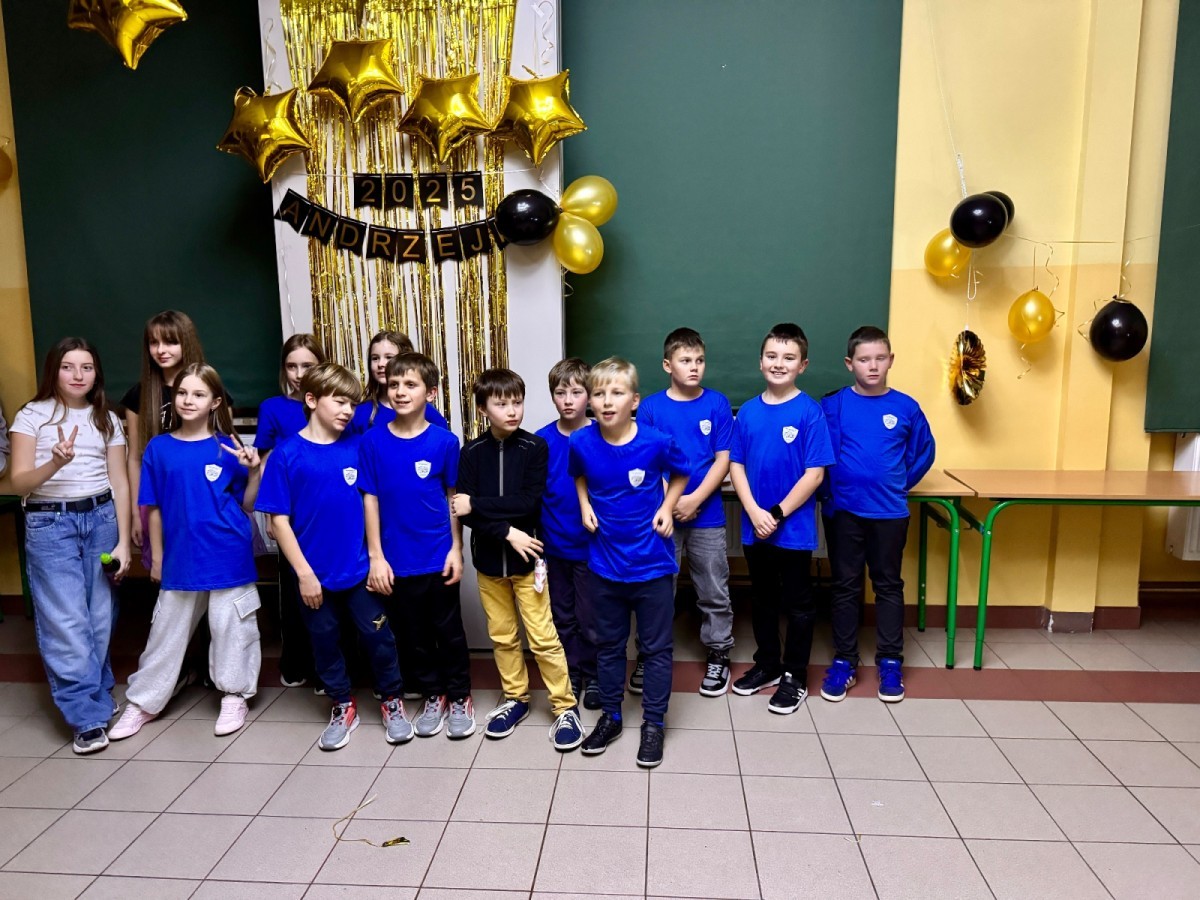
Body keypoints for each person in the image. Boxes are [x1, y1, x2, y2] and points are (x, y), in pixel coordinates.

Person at [255, 363, 408, 751]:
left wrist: (376, 558)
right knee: (324, 642)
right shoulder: (287, 454)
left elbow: (374, 503)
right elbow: (278, 522)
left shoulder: (359, 447)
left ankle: (392, 700)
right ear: (311, 399)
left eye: (352, 404)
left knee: (379, 637)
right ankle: (342, 704)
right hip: (313, 576)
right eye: (339, 401)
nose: (347, 411)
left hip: (359, 570)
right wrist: (304, 574)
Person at [109, 364, 264, 740]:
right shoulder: (159, 449)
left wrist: (255, 471)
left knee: (231, 627)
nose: (188, 400)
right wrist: (158, 558)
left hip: (227, 554)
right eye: (182, 393)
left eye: (198, 394)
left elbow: (247, 504)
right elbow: (154, 508)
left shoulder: (228, 447)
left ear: (215, 402)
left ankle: (234, 695)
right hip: (181, 559)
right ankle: (144, 701)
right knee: (166, 631)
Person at [9, 337, 131, 754]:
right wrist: (55, 463)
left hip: (101, 519)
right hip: (50, 522)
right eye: (68, 366)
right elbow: (18, 482)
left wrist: (124, 542)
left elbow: (120, 482)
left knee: (100, 615)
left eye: (87, 367)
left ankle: (97, 693)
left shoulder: (107, 419)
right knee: (66, 620)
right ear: (53, 371)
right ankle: (85, 716)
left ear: (97, 373)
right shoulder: (32, 416)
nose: (78, 375)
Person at [454, 368, 583, 751]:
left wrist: (477, 504)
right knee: (503, 636)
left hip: (530, 564)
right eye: (501, 404)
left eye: (517, 402)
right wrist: (507, 531)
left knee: (543, 637)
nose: (512, 411)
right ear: (483, 409)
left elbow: (527, 503)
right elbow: (464, 514)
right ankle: (516, 698)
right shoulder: (470, 453)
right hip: (489, 564)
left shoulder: (534, 447)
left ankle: (565, 706)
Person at [571, 358, 689, 768]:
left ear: (634, 400)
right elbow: (578, 475)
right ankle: (611, 717)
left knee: (656, 649)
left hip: (652, 565)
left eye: (617, 393)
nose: (607, 402)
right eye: (599, 394)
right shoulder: (581, 442)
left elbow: (681, 474)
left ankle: (653, 723)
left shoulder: (656, 441)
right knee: (608, 647)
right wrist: (584, 504)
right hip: (604, 565)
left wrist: (668, 508)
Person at [359, 352, 475, 740]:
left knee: (449, 631)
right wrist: (376, 556)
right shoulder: (372, 441)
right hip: (396, 559)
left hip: (438, 555)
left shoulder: (445, 441)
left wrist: (457, 549)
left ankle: (459, 696)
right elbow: (370, 499)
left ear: (431, 392)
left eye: (410, 384)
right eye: (394, 384)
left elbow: (453, 498)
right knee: (413, 635)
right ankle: (433, 693)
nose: (400, 391)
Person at [819, 326, 935, 704]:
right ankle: (845, 660)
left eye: (880, 358)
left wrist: (899, 483)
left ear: (891, 361)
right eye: (864, 359)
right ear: (849, 363)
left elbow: (923, 452)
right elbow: (818, 453)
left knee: (887, 584)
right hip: (844, 512)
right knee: (845, 585)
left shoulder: (906, 407)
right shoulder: (833, 405)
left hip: (889, 512)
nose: (873, 366)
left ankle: (890, 660)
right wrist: (829, 493)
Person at [729, 323, 834, 714]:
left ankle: (795, 674)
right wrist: (754, 512)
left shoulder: (810, 413)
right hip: (755, 526)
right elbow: (736, 465)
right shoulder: (748, 412)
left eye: (788, 358)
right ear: (760, 362)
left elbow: (815, 474)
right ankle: (768, 663)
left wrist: (775, 513)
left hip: (792, 530)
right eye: (772, 356)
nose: (779, 363)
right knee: (762, 597)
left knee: (799, 602)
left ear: (802, 365)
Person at [637, 327, 735, 697]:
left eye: (699, 360)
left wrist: (693, 500)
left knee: (713, 587)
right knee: (658, 587)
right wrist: (673, 502)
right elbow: (647, 460)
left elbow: (722, 460)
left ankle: (719, 651)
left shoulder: (717, 404)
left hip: (707, 514)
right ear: (668, 365)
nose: (694, 367)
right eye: (685, 360)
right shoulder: (651, 408)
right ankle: (650, 653)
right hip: (662, 515)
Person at [255, 333, 325, 689]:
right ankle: (296, 661)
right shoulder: (273, 408)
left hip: (326, 513)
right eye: (292, 366)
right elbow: (264, 464)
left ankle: (328, 667)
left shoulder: (332, 405)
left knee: (332, 590)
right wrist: (271, 515)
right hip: (289, 517)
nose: (299, 374)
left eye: (307, 366)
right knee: (295, 589)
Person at [535, 358, 600, 710]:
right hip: (554, 547)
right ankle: (571, 673)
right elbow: (535, 496)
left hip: (593, 548)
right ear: (552, 396)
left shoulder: (601, 434)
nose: (568, 400)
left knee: (592, 617)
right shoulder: (541, 442)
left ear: (589, 395)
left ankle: (595, 675)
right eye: (561, 393)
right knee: (562, 616)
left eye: (576, 392)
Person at [122, 310, 207, 564]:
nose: (161, 350)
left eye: (170, 342)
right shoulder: (138, 395)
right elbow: (135, 458)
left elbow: (221, 449)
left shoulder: (209, 389)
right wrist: (136, 513)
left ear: (186, 343)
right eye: (153, 342)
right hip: (157, 502)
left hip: (201, 497)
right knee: (165, 569)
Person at [348, 330, 449, 435]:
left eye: (389, 357)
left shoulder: (427, 413)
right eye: (375, 358)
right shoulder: (360, 413)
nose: (381, 364)